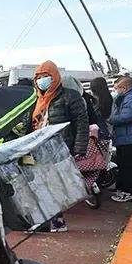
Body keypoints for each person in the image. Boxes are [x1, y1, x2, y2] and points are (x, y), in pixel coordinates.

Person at [25, 61, 89, 232]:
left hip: (60, 148)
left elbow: (82, 124)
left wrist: (79, 149)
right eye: (38, 77)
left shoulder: (70, 96)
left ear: (55, 77)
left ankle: (57, 221)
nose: (42, 81)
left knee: (56, 185)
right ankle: (46, 220)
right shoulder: (34, 99)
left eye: (46, 76)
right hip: (37, 149)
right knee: (39, 185)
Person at [109, 75, 132, 202]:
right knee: (124, 165)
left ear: (124, 87)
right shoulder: (126, 97)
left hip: (131, 138)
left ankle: (130, 191)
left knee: (129, 166)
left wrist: (110, 119)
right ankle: (124, 189)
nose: (116, 91)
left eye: (117, 88)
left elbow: (126, 116)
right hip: (124, 137)